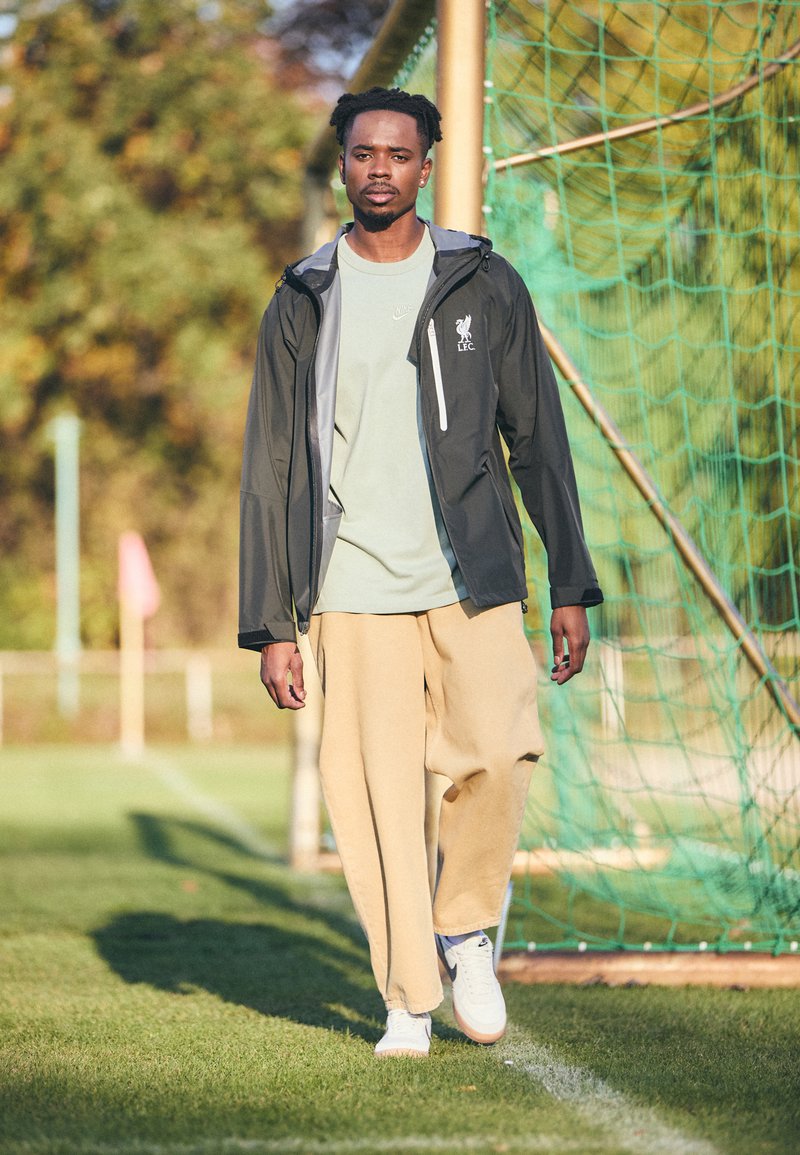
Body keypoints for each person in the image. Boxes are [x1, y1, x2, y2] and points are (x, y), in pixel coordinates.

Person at [239, 86, 602, 1058]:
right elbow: (269, 467)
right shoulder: (302, 298)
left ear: (425, 166)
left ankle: (467, 929)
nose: (378, 171)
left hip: (470, 573)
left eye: (397, 155)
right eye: (361, 155)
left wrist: (569, 580)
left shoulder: (485, 284)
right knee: (372, 800)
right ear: (344, 164)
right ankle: (407, 997)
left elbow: (537, 440)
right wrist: (272, 620)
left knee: (499, 748)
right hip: (350, 589)